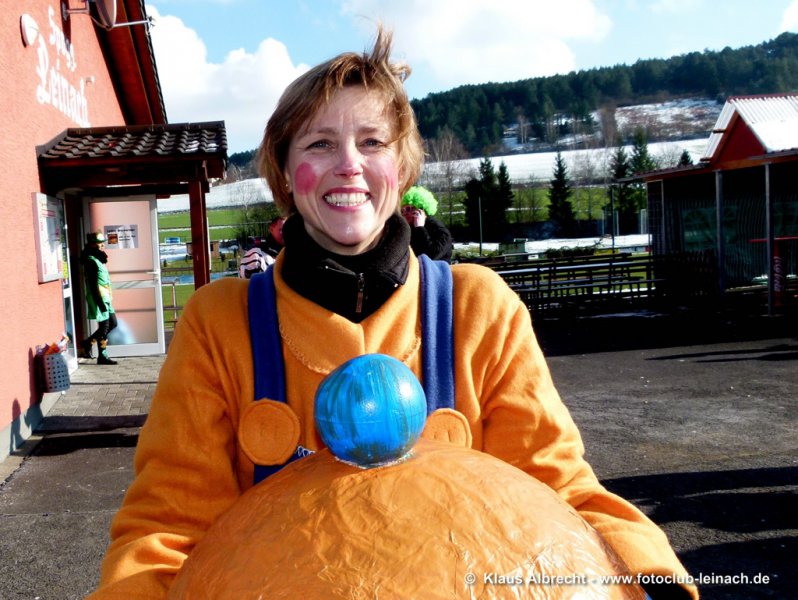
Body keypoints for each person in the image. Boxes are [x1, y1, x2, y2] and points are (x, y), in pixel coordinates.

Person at [89, 28, 696, 599]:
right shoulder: (219, 322)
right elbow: (167, 527)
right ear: (284, 172)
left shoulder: (478, 307)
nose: (348, 164)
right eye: (319, 143)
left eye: (372, 142)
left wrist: (650, 577)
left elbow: (557, 491)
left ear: (401, 168)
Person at [78, 232, 118, 366]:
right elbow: (93, 284)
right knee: (104, 326)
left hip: (106, 296)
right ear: (92, 244)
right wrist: (100, 303)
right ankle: (102, 356)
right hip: (99, 297)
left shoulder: (99, 258)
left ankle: (88, 342)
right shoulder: (90, 260)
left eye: (102, 242)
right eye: (98, 243)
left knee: (113, 323)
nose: (102, 245)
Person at [401, 185, 453, 262]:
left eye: (408, 209)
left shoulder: (437, 228)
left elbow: (432, 254)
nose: (404, 213)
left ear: (421, 209)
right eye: (402, 211)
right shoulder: (408, 229)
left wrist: (420, 228)